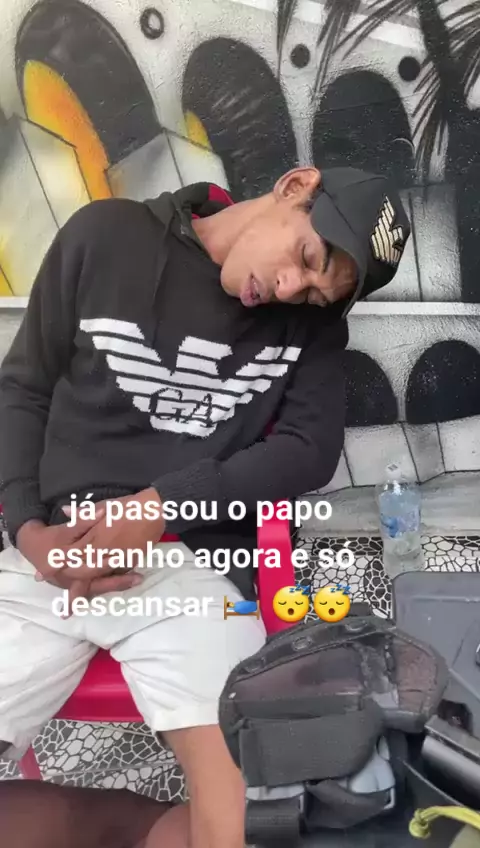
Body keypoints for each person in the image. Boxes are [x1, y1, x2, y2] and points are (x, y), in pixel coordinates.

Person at [0, 165, 410, 848]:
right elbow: (22, 387)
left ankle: (144, 831)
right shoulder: (107, 236)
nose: (292, 288)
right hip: (52, 558)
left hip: (193, 570)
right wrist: (27, 531)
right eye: (306, 257)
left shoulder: (308, 328)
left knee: (245, 827)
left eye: (317, 292)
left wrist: (162, 506)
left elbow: (309, 450)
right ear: (295, 187)